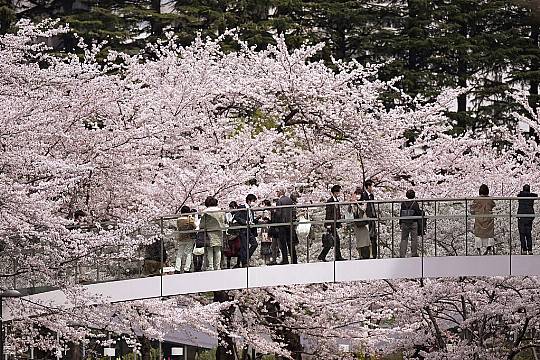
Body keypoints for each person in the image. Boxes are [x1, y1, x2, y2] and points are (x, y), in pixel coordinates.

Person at [318, 185, 345, 262]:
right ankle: (337, 256)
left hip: (334, 223)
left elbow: (337, 213)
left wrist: (339, 222)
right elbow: (328, 213)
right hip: (331, 224)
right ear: (334, 192)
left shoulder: (336, 200)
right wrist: (328, 224)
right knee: (335, 240)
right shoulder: (330, 201)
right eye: (337, 191)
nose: (338, 193)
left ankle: (323, 256)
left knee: (332, 241)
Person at [199, 196, 225, 271]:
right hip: (219, 231)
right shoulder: (220, 211)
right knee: (218, 249)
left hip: (209, 232)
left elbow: (202, 224)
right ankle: (218, 266)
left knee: (209, 249)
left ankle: (211, 266)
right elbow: (224, 221)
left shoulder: (205, 211)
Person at [234, 194, 259, 267]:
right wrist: (245, 222)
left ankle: (245, 259)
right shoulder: (242, 207)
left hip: (249, 229)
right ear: (249, 201)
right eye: (253, 201)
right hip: (243, 229)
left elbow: (251, 219)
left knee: (254, 244)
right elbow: (236, 217)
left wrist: (256, 220)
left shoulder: (250, 209)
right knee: (244, 246)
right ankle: (244, 262)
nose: (254, 203)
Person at [471, 184, 496, 255]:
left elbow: (472, 210)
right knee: (489, 235)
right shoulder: (490, 200)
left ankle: (479, 250)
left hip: (479, 220)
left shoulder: (476, 199)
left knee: (478, 235)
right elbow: (494, 207)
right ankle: (489, 249)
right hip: (489, 220)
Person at [276, 189, 298, 264]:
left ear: (280, 192)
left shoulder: (279, 201)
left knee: (283, 243)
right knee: (290, 243)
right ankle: (294, 259)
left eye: (277, 191)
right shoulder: (289, 200)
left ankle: (285, 259)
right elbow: (293, 211)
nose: (276, 193)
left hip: (282, 224)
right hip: (290, 224)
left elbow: (279, 214)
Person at [399, 190, 422, 257]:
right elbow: (418, 213)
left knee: (404, 239)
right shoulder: (415, 203)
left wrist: (400, 222)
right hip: (413, 222)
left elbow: (401, 213)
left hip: (404, 222)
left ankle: (402, 254)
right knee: (414, 239)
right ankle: (414, 253)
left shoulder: (403, 203)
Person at [349, 187, 370, 259]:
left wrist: (357, 203)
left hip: (364, 223)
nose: (358, 195)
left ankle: (367, 255)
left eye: (359, 194)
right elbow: (350, 212)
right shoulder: (353, 204)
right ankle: (360, 255)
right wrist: (351, 203)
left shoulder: (364, 202)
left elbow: (363, 209)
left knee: (365, 240)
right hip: (357, 224)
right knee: (359, 240)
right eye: (357, 194)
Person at [175, 205, 196, 273]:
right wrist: (191, 218)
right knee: (188, 253)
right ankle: (187, 268)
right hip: (189, 237)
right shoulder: (189, 219)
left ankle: (177, 269)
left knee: (179, 254)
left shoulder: (178, 220)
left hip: (181, 238)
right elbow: (194, 226)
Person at [517, 184, 538, 255]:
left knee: (522, 234)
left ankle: (524, 249)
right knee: (528, 234)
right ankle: (530, 250)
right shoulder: (531, 196)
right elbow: (536, 195)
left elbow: (518, 195)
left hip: (521, 216)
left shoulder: (520, 196)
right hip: (529, 216)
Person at [360, 180, 378, 259]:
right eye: (371, 186)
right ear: (368, 187)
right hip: (367, 218)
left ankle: (374, 254)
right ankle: (367, 254)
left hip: (372, 217)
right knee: (368, 236)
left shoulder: (371, 195)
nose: (372, 188)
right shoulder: (363, 195)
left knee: (373, 236)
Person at [259, 199, 273, 264]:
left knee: (265, 243)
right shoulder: (271, 210)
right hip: (268, 228)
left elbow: (266, 220)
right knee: (269, 243)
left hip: (265, 228)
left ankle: (265, 259)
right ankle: (269, 258)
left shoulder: (266, 211)